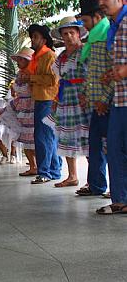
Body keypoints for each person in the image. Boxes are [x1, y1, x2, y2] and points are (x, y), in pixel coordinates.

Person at [94, 0, 127, 215]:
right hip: (120, 97)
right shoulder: (112, 27)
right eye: (99, 0)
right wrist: (111, 74)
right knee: (114, 147)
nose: (102, 3)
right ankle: (121, 200)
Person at [46, 17, 90, 187]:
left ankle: (92, 179)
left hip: (82, 97)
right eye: (65, 34)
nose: (69, 36)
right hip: (66, 99)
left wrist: (88, 95)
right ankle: (72, 176)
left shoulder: (85, 51)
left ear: (78, 34)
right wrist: (56, 99)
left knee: (86, 137)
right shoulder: (61, 57)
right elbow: (58, 80)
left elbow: (91, 75)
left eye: (72, 32)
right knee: (66, 136)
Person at [76, 0, 112, 197]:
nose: (85, 25)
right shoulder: (92, 39)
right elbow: (92, 73)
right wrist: (87, 95)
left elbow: (112, 71)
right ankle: (97, 185)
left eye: (86, 20)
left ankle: (118, 189)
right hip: (96, 103)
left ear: (97, 17)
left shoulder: (107, 34)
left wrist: (103, 99)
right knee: (96, 145)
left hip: (107, 102)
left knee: (113, 147)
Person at [21, 24, 62, 184]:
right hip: (40, 99)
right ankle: (54, 170)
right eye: (32, 36)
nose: (32, 39)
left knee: (43, 137)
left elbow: (53, 79)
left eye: (36, 37)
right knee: (47, 136)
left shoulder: (49, 55)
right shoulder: (37, 56)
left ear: (44, 40)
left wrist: (31, 78)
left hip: (47, 99)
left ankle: (45, 171)